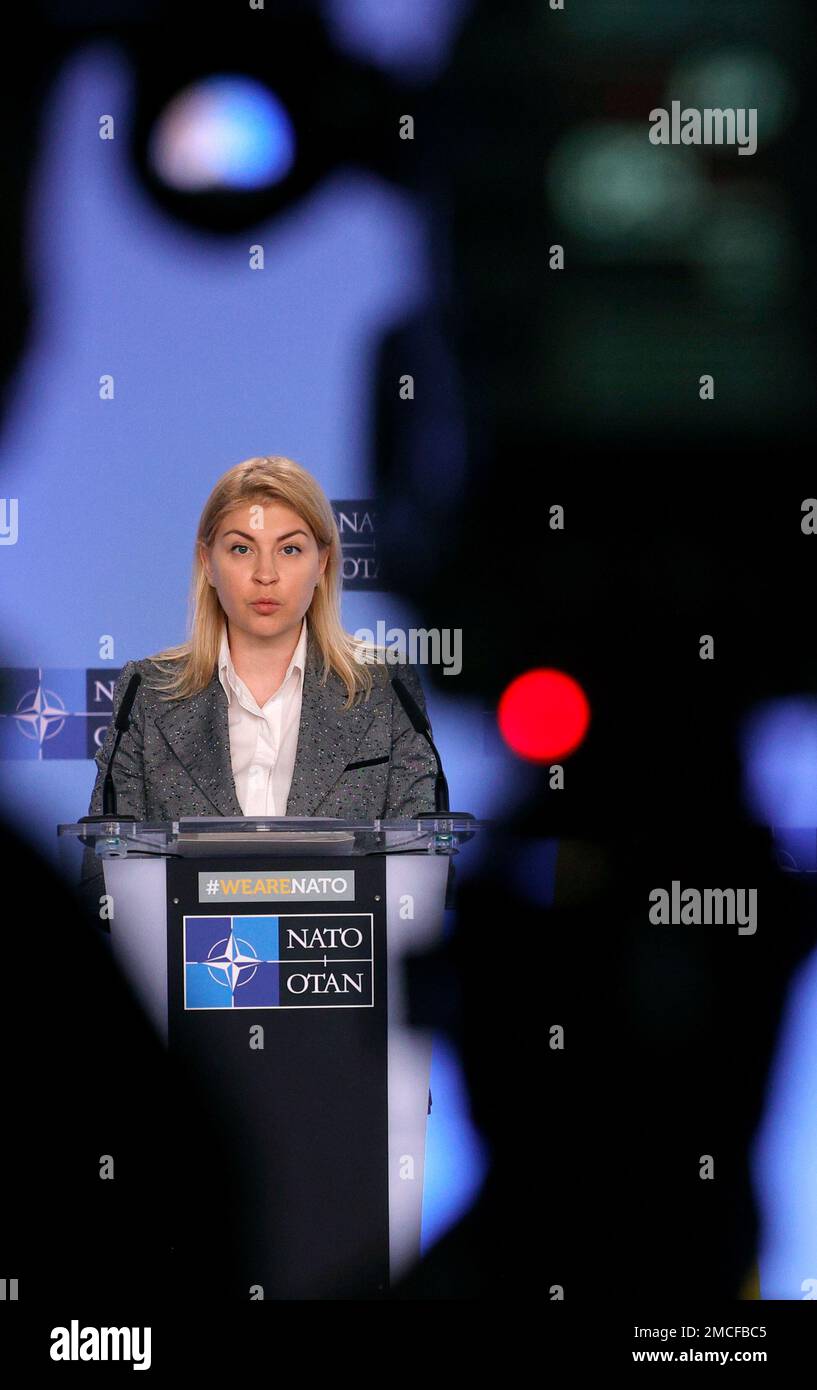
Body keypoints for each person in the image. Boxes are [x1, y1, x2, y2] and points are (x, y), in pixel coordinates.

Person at [79, 454, 440, 912]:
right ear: (207, 563)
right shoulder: (146, 693)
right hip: (194, 974)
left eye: (290, 549)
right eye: (241, 548)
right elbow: (101, 881)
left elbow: (426, 872)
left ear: (323, 564)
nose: (265, 574)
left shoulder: (387, 689)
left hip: (337, 973)